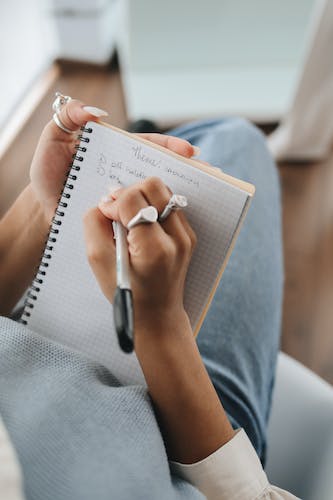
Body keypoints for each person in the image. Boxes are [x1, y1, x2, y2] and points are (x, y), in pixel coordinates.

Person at [0, 98, 297, 500]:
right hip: (190, 437)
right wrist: (159, 326)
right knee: (234, 137)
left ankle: (148, 139)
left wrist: (44, 207)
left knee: (195, 149)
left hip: (32, 329)